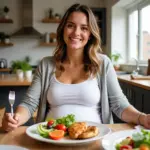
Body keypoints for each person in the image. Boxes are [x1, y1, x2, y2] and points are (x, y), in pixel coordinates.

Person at [2, 3, 150, 132]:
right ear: (63, 29)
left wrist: (141, 118)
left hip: (94, 138)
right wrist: (16, 119)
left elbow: (119, 105)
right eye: (70, 25)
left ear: (90, 34)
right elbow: (29, 103)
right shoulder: (46, 64)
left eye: (84, 28)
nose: (76, 33)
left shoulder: (103, 63)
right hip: (51, 138)